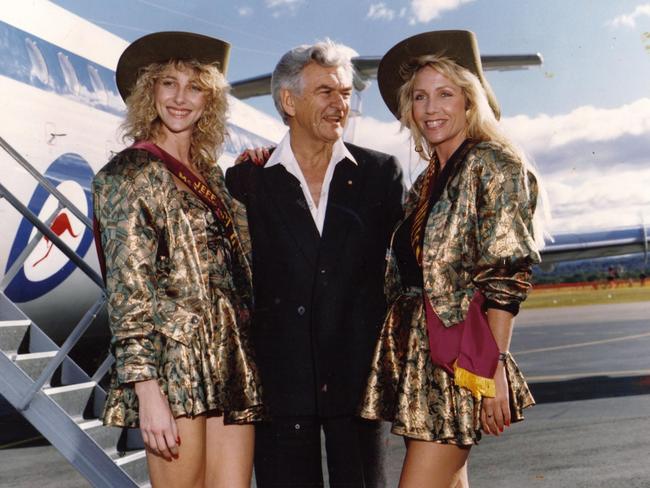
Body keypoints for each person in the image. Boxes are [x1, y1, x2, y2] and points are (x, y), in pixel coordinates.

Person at [359, 30, 542, 487]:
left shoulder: (493, 163)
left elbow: (505, 275)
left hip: (460, 358)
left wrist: (493, 368)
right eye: (420, 97)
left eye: (445, 94)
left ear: (469, 100)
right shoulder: (426, 181)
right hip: (420, 357)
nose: (431, 108)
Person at [225, 39, 404, 487]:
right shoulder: (249, 179)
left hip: (357, 385)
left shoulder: (381, 174)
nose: (340, 104)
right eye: (326, 92)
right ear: (288, 101)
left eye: (345, 93)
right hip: (281, 386)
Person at [92, 32, 264, 488]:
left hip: (228, 354)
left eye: (194, 86)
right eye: (169, 83)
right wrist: (147, 391)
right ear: (150, 91)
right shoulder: (128, 173)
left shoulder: (213, 176)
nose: (181, 98)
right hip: (174, 364)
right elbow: (128, 290)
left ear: (210, 99)